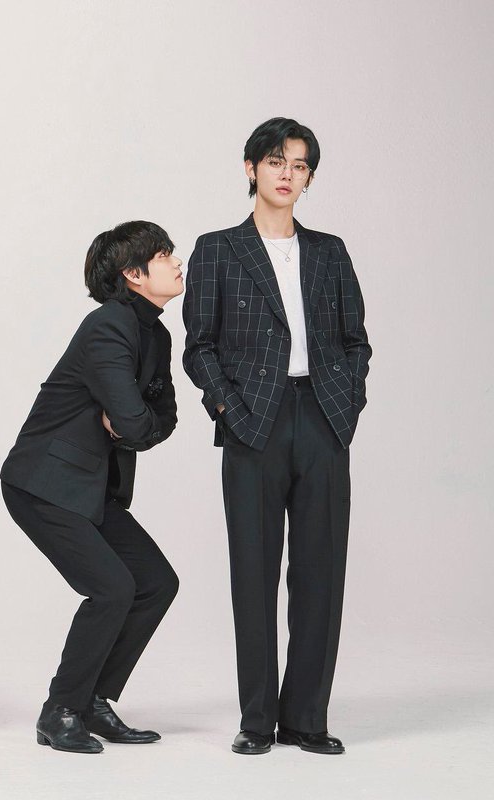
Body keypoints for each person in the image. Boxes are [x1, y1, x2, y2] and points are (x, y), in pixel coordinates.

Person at [182, 117, 371, 756]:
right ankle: (258, 719)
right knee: (254, 573)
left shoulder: (329, 251)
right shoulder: (217, 249)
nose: (287, 174)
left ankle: (306, 719)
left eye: (299, 165)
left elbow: (356, 340)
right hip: (251, 422)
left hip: (323, 418)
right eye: (275, 162)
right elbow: (199, 346)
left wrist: (347, 404)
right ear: (251, 169)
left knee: (321, 573)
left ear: (308, 177)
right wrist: (229, 409)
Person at [1, 221, 182, 753]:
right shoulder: (107, 327)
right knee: (112, 588)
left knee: (155, 583)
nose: (177, 261)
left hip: (91, 489)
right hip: (44, 483)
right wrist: (133, 422)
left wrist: (132, 424)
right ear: (133, 274)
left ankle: (93, 701)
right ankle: (59, 711)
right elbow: (135, 419)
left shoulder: (156, 334)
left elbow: (163, 419)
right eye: (164, 255)